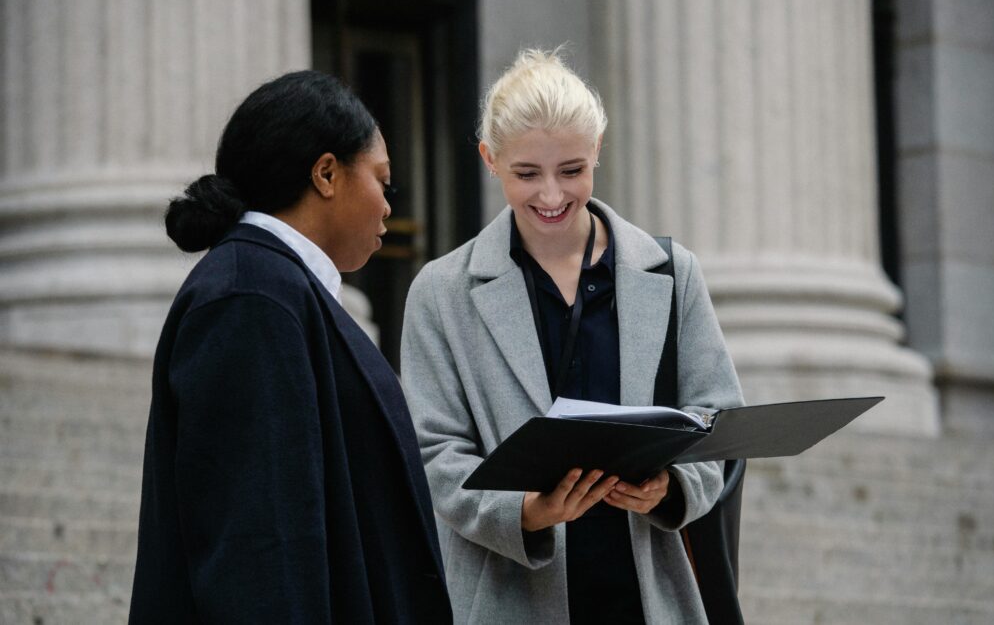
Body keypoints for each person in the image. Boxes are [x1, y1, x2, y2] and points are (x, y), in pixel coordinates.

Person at [400, 49, 744, 624]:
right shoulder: (440, 292)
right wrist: (526, 511)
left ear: (598, 153)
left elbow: (717, 419)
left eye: (572, 170)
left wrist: (672, 487)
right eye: (526, 174)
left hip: (648, 594)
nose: (552, 197)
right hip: (508, 597)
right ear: (489, 159)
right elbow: (434, 452)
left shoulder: (671, 270)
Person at [129, 71, 452, 624]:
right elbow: (259, 546)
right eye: (383, 182)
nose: (387, 208)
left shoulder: (276, 288)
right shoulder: (251, 296)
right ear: (327, 174)